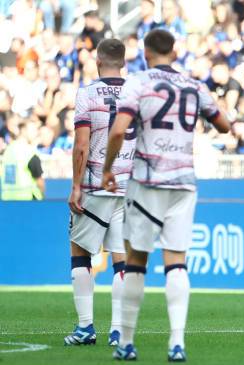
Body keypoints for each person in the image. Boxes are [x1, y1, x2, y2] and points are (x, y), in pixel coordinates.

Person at [102, 29, 231, 362]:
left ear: (146, 52)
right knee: (176, 262)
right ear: (174, 52)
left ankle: (127, 343)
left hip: (147, 181)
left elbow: (119, 129)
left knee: (136, 261)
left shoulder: (139, 82)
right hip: (183, 182)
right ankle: (177, 344)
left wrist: (107, 168)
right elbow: (225, 125)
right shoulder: (195, 86)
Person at [63, 39, 136, 348]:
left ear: (97, 61)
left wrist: (76, 186)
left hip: (95, 185)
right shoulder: (137, 94)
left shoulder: (87, 93)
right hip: (127, 186)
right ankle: (117, 331)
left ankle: (85, 328)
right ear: (123, 62)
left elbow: (81, 145)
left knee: (80, 253)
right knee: (121, 260)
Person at [0, 130, 44, 200]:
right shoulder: (29, 152)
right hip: (27, 199)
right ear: (24, 131)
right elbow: (39, 180)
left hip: (7, 199)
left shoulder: (7, 151)